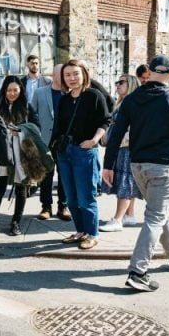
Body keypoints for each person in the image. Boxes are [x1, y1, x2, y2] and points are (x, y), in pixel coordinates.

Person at [103, 54, 169, 292]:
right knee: (155, 216)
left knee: (158, 211)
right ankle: (138, 271)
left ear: (150, 72)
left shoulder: (132, 100)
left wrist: (108, 165)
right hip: (164, 166)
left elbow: (115, 134)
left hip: (138, 166)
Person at [50, 59, 111, 251]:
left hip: (84, 152)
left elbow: (106, 120)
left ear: (84, 74)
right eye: (67, 75)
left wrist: (94, 140)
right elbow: (58, 126)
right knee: (71, 196)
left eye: (76, 73)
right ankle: (80, 231)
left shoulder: (94, 95)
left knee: (86, 197)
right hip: (65, 152)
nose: (72, 78)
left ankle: (92, 233)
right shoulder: (64, 100)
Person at [0, 76, 40, 236]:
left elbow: (37, 128)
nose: (12, 93)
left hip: (22, 152)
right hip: (2, 152)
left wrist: (21, 130)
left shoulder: (26, 107)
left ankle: (16, 222)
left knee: (21, 188)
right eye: (9, 90)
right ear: (4, 91)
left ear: (21, 90)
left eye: (15, 90)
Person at [99, 74, 142, 232]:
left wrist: (115, 139)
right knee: (127, 182)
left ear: (130, 84)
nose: (117, 85)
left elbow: (132, 130)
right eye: (116, 82)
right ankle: (129, 215)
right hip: (121, 149)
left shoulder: (133, 105)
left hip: (126, 149)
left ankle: (117, 219)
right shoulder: (123, 103)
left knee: (125, 183)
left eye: (121, 82)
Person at [31, 63, 71, 221]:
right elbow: (32, 114)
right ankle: (46, 206)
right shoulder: (40, 93)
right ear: (54, 75)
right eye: (61, 74)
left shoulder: (71, 94)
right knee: (46, 175)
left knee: (64, 175)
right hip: (45, 141)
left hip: (64, 142)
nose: (64, 78)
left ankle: (63, 206)